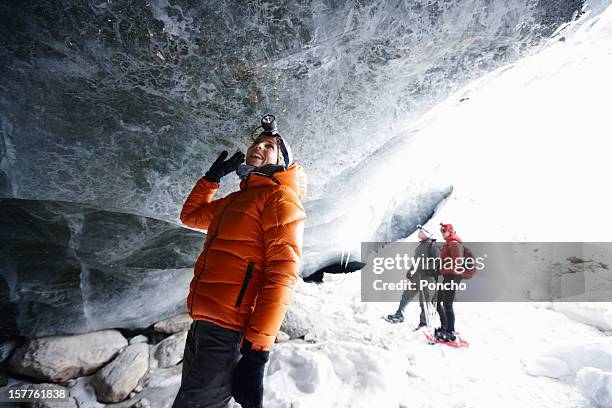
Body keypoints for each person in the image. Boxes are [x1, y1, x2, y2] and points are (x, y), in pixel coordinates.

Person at [172, 116, 307, 408]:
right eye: (256, 143)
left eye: (269, 145)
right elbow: (191, 216)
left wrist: (257, 352)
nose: (258, 147)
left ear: (282, 161)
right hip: (201, 326)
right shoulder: (236, 200)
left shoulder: (279, 199)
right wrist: (211, 179)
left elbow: (282, 276)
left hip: (228, 332)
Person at [386, 227, 440, 330]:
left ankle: (424, 323)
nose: (419, 233)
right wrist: (411, 270)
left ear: (427, 233)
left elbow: (438, 261)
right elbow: (416, 262)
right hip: (417, 277)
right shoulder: (420, 246)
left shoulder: (432, 245)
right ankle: (399, 314)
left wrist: (424, 266)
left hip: (427, 278)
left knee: (423, 301)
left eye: (421, 231)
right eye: (419, 231)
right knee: (406, 295)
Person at [435, 223, 463, 342]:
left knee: (447, 304)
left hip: (453, 277)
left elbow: (458, 262)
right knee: (438, 300)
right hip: (448, 277)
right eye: (441, 231)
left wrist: (443, 270)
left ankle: (450, 331)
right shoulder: (449, 243)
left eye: (444, 231)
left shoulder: (453, 243)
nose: (442, 233)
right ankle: (445, 327)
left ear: (450, 231)